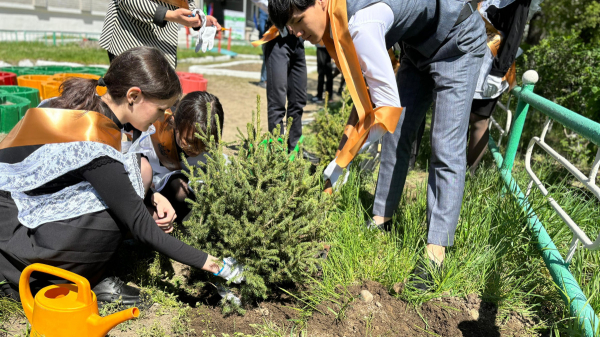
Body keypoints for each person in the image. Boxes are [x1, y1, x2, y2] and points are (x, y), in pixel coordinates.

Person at [268, 0, 487, 289]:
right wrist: (341, 153)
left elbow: (385, 110)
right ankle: (381, 221)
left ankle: (435, 255)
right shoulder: (342, 15)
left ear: (320, 2)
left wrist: (344, 160)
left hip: (457, 42)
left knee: (445, 145)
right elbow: (364, 98)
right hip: (415, 48)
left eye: (297, 21)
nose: (296, 32)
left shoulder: (361, 25)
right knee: (397, 137)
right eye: (289, 27)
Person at [0, 47, 243, 305]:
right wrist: (216, 265)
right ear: (133, 96)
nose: (161, 119)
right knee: (112, 216)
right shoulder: (94, 142)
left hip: (20, 206)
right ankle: (46, 280)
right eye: (161, 110)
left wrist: (153, 196)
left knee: (132, 189)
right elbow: (142, 226)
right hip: (16, 230)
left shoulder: (90, 107)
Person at [467, 0, 533, 173]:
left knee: (478, 119)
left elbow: (514, 35)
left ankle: (468, 173)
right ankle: (449, 167)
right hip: (465, 57)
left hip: (490, 64)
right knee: (458, 116)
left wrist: (497, 72)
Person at [141, 91, 225, 223]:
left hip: (181, 191)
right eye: (190, 141)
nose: (196, 150)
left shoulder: (209, 142)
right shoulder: (154, 128)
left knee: (183, 191)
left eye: (203, 144)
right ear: (175, 124)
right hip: (147, 190)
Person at [252, 0, 308, 151]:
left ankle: (295, 148)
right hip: (277, 36)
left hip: (298, 39)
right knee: (277, 100)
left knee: (298, 99)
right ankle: (277, 151)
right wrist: (283, 15)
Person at [99, 0, 221, 68]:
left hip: (164, 40)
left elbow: (186, 2)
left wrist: (199, 18)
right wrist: (169, 15)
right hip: (128, 35)